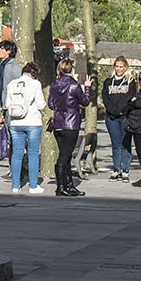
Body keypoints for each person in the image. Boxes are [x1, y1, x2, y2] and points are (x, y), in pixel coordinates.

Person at [49, 60, 94, 196]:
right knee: (64, 156)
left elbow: (51, 104)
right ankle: (61, 187)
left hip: (58, 123)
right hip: (71, 123)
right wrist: (87, 87)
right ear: (71, 70)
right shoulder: (74, 86)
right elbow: (85, 102)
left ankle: (68, 185)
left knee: (65, 154)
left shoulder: (54, 85)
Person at [5, 60, 47, 194]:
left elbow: (7, 104)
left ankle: (15, 185)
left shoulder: (12, 84)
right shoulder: (35, 84)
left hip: (15, 122)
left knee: (17, 153)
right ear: (34, 73)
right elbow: (41, 105)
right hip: (32, 122)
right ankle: (33, 185)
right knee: (33, 153)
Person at [98, 56, 136, 180]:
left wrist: (121, 110)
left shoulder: (130, 81)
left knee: (125, 143)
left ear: (125, 67)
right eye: (117, 66)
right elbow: (105, 97)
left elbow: (129, 97)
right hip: (111, 117)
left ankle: (125, 169)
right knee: (116, 144)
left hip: (125, 116)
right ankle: (116, 169)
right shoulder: (108, 81)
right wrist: (113, 110)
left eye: (121, 67)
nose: (119, 69)